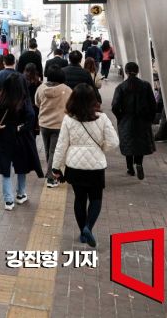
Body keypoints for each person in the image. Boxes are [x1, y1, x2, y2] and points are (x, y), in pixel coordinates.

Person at [52, 84, 119, 248]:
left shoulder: (69, 119)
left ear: (73, 99)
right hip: (95, 167)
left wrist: (56, 167)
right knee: (96, 198)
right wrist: (101, 148)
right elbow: (114, 142)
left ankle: (83, 232)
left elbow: (61, 145)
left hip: (74, 166)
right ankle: (88, 227)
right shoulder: (101, 118)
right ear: (92, 99)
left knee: (79, 199)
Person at [0, 73, 42, 211]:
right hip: (20, 136)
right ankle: (21, 194)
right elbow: (31, 116)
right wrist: (21, 127)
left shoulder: (0, 97)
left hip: (4, 134)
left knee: (5, 167)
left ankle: (8, 200)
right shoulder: (24, 100)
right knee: (21, 165)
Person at [112, 62, 157, 180]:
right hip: (142, 120)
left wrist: (120, 117)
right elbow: (153, 104)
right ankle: (139, 163)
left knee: (128, 143)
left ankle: (130, 169)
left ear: (126, 71)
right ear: (137, 71)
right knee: (140, 143)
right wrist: (150, 118)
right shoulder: (146, 85)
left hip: (126, 120)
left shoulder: (121, 87)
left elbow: (115, 106)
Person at [35, 66, 72, 188]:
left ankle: (50, 173)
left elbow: (37, 102)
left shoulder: (41, 88)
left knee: (48, 150)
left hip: (44, 124)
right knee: (54, 151)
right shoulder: (66, 90)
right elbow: (71, 105)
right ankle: (51, 177)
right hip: (58, 124)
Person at [23, 63, 42, 134]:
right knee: (33, 127)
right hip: (35, 106)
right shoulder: (38, 82)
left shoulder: (22, 80)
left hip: (24, 106)